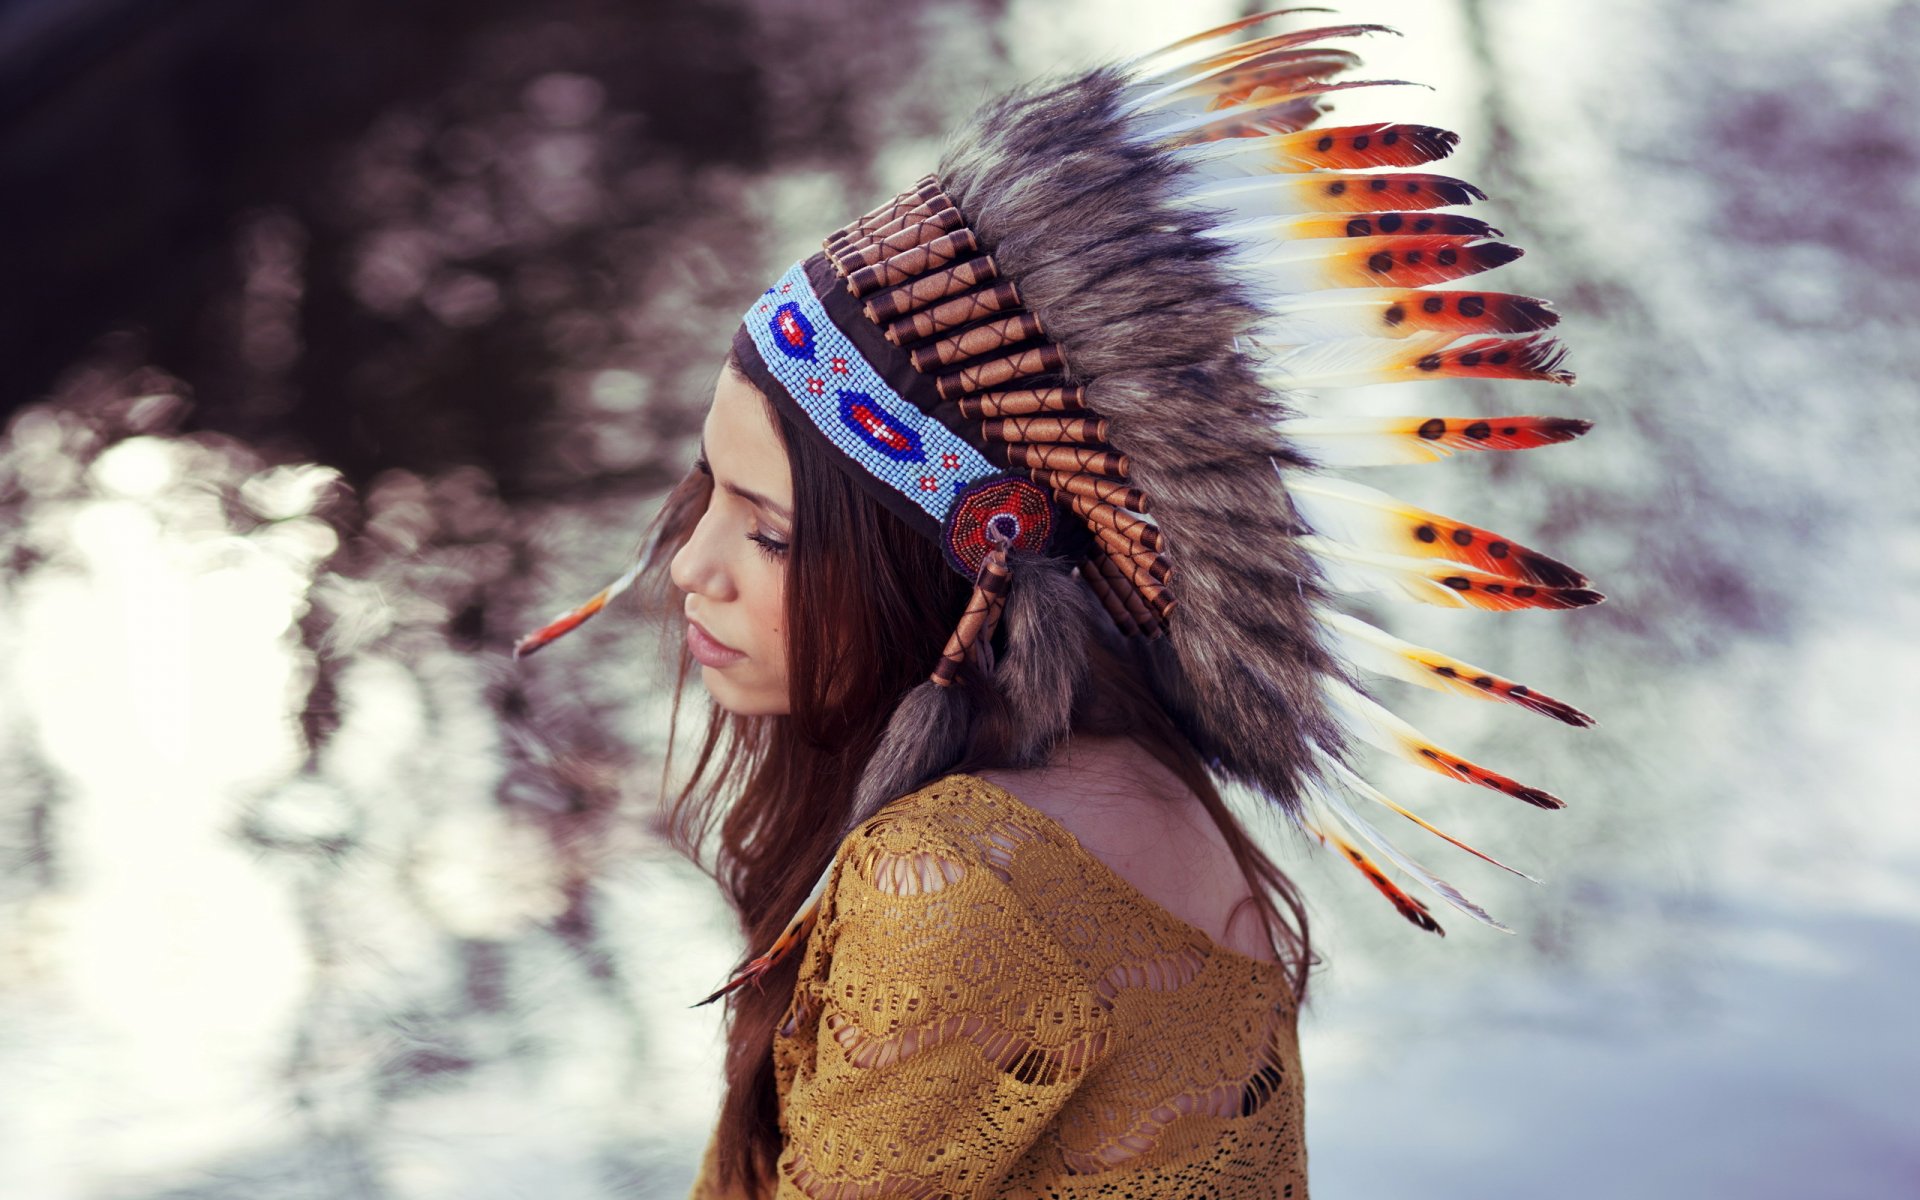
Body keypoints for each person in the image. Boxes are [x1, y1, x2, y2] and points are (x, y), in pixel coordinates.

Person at [515, 10, 1601, 1197]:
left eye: (768, 532)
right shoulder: (1142, 783)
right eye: (707, 496)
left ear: (965, 558)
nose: (690, 567)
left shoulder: (960, 874)